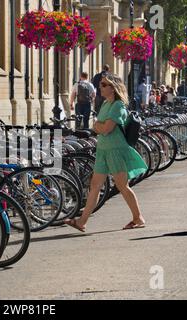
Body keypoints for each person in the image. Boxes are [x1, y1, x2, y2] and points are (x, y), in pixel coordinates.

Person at [64, 73, 148, 232]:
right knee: (95, 185)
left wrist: (98, 126)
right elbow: (98, 127)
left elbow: (106, 128)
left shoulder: (118, 105)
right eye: (100, 84)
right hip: (103, 149)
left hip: (115, 149)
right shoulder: (105, 104)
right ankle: (82, 222)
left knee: (122, 186)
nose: (99, 87)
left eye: (103, 85)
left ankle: (138, 218)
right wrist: (99, 126)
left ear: (113, 88)